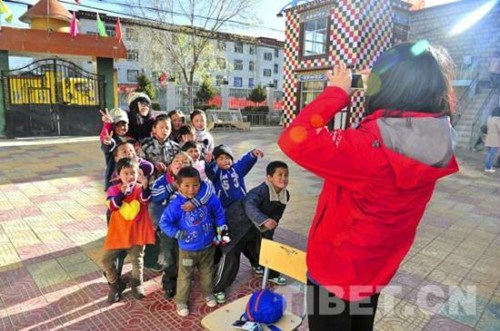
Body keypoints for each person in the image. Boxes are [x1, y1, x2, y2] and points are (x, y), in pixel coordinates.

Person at [278, 41, 459, 331]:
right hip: (374, 270)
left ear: (385, 87)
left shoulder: (366, 149)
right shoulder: (441, 140)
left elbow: (294, 137)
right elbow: (446, 104)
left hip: (334, 274)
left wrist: (338, 91)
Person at [213, 161, 290, 301]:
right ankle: (218, 288)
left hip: (255, 226)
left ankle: (271, 274)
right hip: (235, 224)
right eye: (279, 175)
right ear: (269, 177)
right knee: (231, 255)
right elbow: (250, 205)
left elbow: (276, 215)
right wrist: (264, 220)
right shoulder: (259, 191)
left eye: (286, 175)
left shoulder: (285, 195)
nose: (283, 178)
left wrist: (269, 230)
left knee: (262, 248)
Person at [159, 166, 227, 317]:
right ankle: (181, 301)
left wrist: (221, 229)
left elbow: (218, 212)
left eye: (195, 185)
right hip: (187, 250)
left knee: (207, 272)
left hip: (208, 246)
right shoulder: (176, 204)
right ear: (179, 185)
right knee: (185, 276)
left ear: (200, 183)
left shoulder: (208, 198)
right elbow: (164, 223)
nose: (191, 189)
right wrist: (176, 233)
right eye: (187, 186)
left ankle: (208, 294)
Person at [149, 151, 214, 299]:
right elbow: (155, 196)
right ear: (170, 165)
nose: (180, 163)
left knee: (188, 255)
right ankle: (169, 285)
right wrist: (172, 186)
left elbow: (208, 191)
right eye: (177, 160)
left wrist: (195, 202)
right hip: (170, 228)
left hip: (193, 227)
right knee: (170, 257)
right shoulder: (161, 181)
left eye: (185, 162)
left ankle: (188, 278)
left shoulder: (198, 182)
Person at [101, 157, 155, 303]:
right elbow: (112, 206)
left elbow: (145, 200)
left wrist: (145, 187)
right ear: (119, 175)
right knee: (106, 260)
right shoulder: (113, 189)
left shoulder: (139, 189)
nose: (130, 176)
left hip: (136, 233)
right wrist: (121, 195)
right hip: (118, 233)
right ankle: (115, 285)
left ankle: (137, 285)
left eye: (133, 173)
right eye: (126, 173)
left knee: (137, 260)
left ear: (138, 174)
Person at [208, 144, 264, 209]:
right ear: (216, 161)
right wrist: (211, 161)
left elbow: (245, 162)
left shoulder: (237, 168)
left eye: (227, 158)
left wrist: (253, 154)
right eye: (221, 159)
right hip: (224, 206)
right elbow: (210, 171)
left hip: (241, 202)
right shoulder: (216, 172)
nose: (225, 161)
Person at [140, 114, 181, 184]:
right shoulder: (146, 146)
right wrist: (153, 166)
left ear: (171, 130)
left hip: (172, 183)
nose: (164, 130)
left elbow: (181, 164)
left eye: (167, 128)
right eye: (161, 127)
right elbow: (141, 164)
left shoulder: (176, 147)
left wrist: (169, 168)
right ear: (154, 129)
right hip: (152, 182)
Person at [484, 107, 500, 172]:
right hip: (495, 139)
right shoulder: (498, 120)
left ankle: (487, 167)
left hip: (489, 138)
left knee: (489, 154)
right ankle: (489, 168)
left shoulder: (489, 119)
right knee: (492, 154)